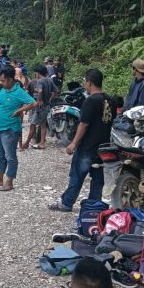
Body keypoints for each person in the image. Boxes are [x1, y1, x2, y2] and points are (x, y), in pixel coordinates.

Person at [49, 69, 115, 212]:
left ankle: (66, 203)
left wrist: (74, 143)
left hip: (88, 146)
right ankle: (93, 205)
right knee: (98, 179)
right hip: (103, 146)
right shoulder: (110, 100)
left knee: (77, 176)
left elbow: (84, 124)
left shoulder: (91, 100)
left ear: (89, 82)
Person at [0, 66, 38, 191]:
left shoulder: (19, 92)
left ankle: (9, 180)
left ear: (10, 79)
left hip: (11, 129)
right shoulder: (3, 90)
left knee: (10, 156)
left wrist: (20, 110)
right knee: (0, 154)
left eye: (3, 80)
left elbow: (34, 103)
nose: (1, 83)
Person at [23, 65, 58, 150]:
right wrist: (49, 99)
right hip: (47, 106)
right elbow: (56, 91)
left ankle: (26, 143)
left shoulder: (40, 81)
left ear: (37, 73)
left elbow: (40, 91)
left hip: (40, 107)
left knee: (33, 125)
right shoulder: (49, 80)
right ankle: (42, 142)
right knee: (43, 125)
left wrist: (39, 100)